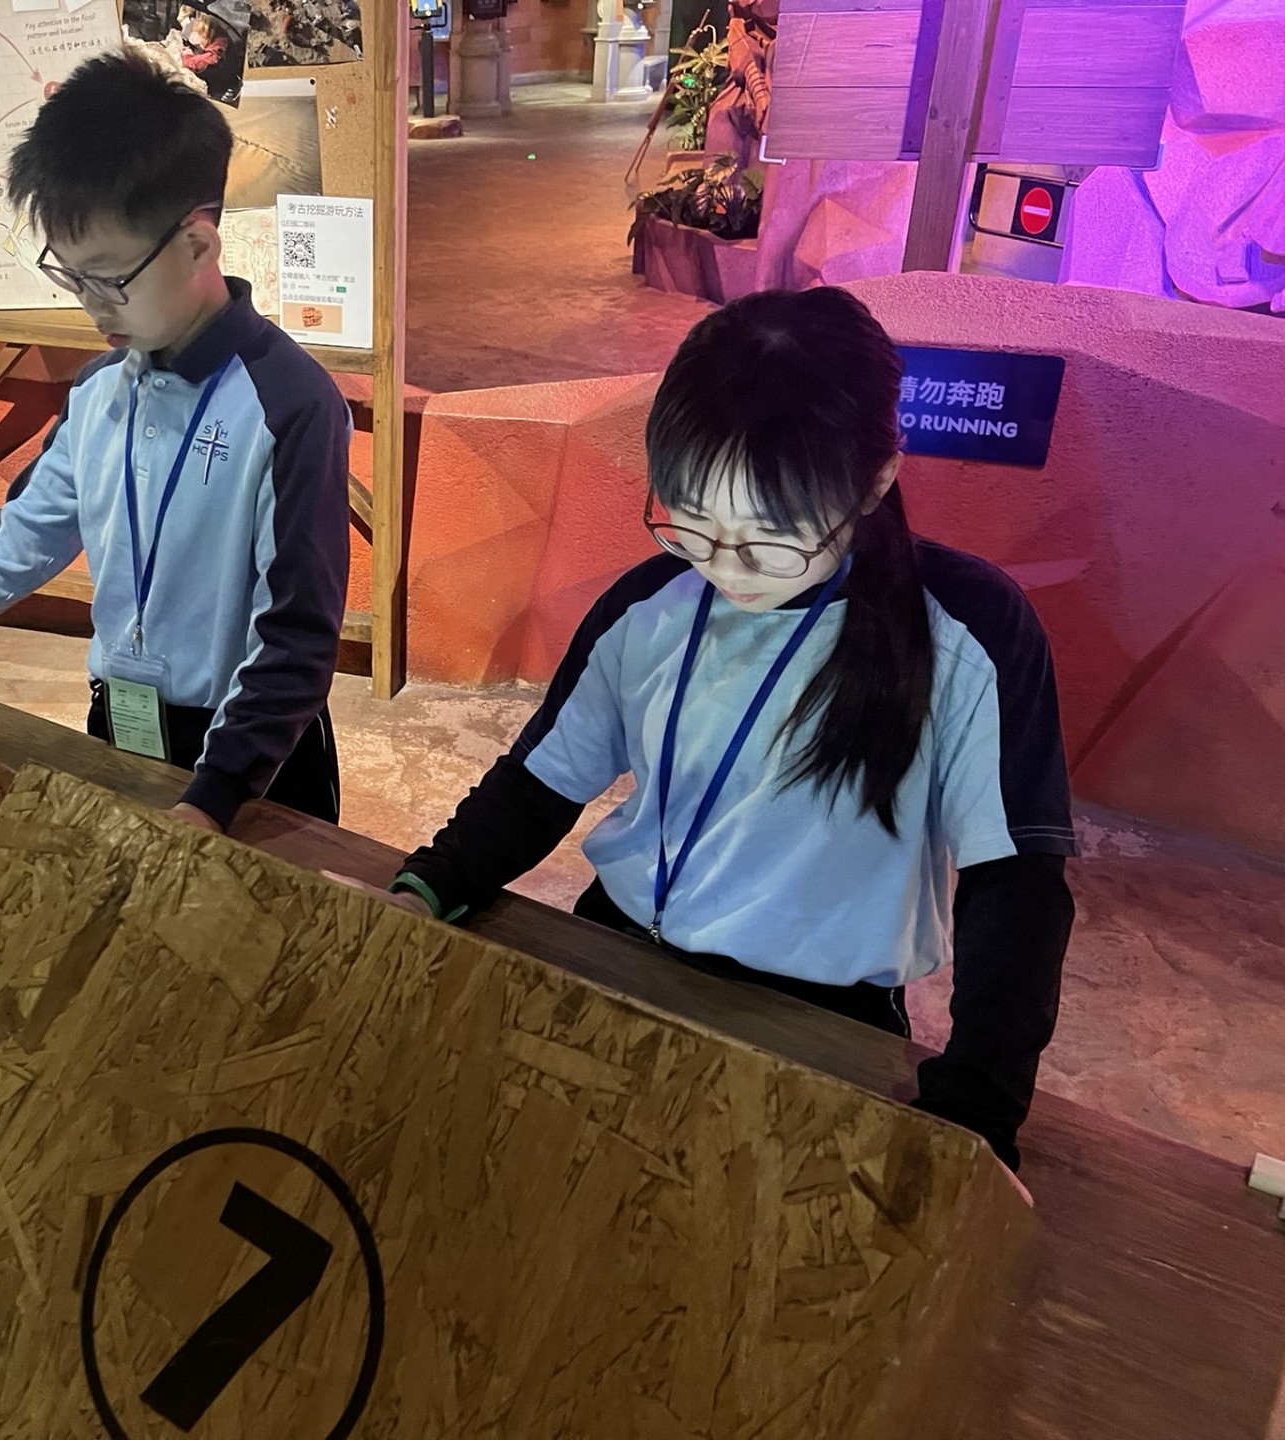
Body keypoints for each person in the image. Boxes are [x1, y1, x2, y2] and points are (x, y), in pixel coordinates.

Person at [346, 288, 1075, 1174]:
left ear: (875, 481)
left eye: (770, 537)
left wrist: (978, 1114)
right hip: (618, 953)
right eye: (693, 524)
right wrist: (429, 884)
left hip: (817, 1018)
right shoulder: (650, 604)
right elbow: (541, 782)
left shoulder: (968, 631)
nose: (726, 569)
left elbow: (1015, 884)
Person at [0, 48, 352, 834]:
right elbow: (14, 545)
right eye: (70, 275)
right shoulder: (97, 394)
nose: (91, 305)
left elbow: (297, 631)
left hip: (251, 760)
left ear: (198, 245)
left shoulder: (289, 403)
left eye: (109, 278)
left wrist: (214, 798)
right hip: (119, 724)